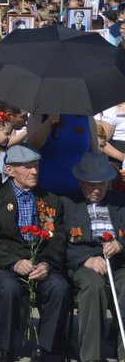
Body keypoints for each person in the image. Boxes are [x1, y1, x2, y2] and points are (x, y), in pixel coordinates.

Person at [0, 145, 71, 362]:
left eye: (36, 166)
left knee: (60, 287)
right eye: (28, 167)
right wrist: (13, 263)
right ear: (10, 170)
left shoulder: (51, 200)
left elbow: (58, 238)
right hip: (6, 265)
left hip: (40, 263)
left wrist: (46, 264)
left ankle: (47, 349)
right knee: (10, 288)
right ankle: (7, 349)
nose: (34, 171)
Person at [62, 152, 125, 362]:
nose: (96, 190)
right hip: (83, 263)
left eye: (102, 184)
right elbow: (58, 243)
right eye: (91, 184)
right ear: (81, 182)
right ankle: (91, 357)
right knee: (93, 287)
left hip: (117, 262)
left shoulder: (120, 202)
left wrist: (120, 244)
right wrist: (86, 259)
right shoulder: (67, 203)